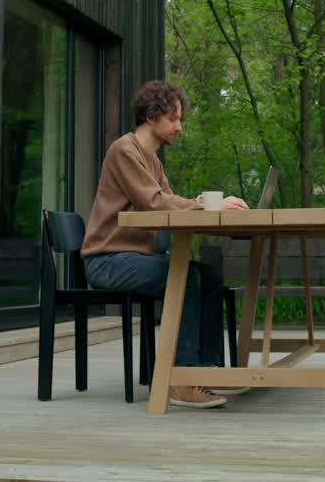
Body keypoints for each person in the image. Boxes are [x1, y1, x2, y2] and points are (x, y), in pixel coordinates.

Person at [81, 81, 249, 409]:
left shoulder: (153, 161)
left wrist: (209, 205)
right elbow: (154, 203)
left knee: (209, 276)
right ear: (151, 116)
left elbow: (168, 203)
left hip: (135, 258)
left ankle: (206, 370)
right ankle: (181, 380)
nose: (179, 127)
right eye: (173, 119)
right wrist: (208, 205)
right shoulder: (124, 151)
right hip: (107, 260)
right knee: (186, 276)